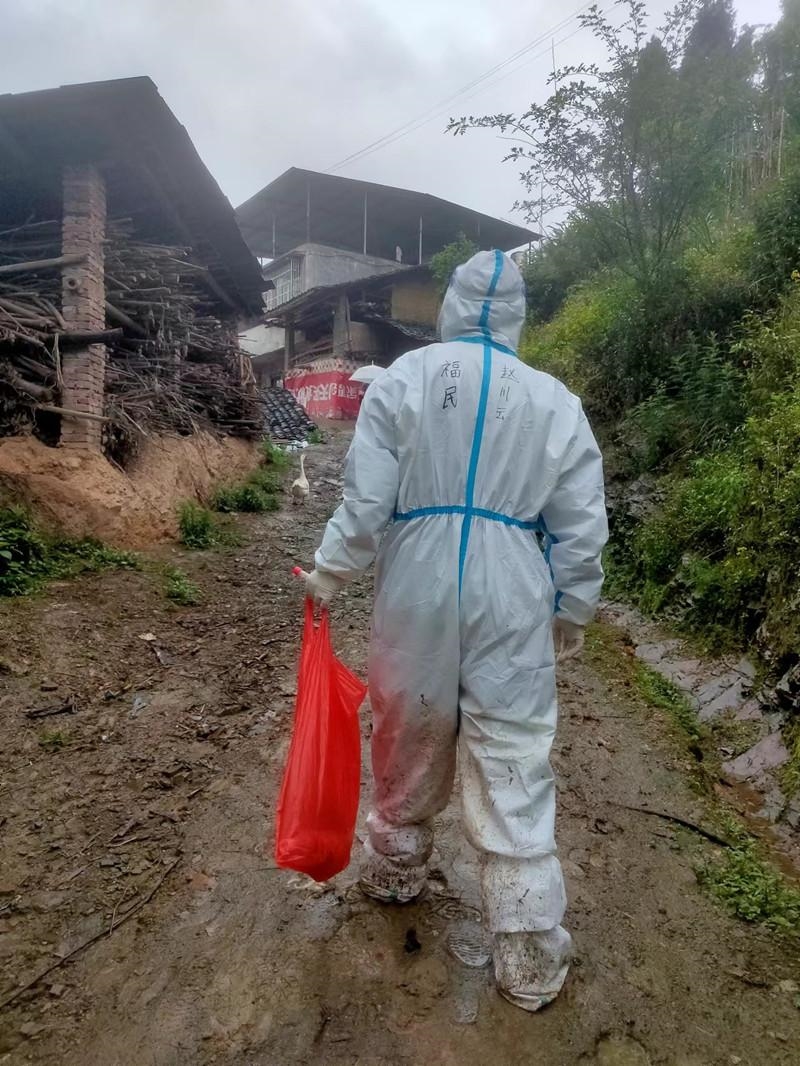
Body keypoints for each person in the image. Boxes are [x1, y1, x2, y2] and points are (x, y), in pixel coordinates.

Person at [302, 250, 607, 1011]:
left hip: (418, 576)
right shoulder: (554, 401)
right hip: (513, 582)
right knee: (513, 750)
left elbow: (366, 501)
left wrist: (331, 569)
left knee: (408, 723)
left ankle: (395, 869)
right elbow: (580, 525)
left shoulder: (405, 378)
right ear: (517, 318)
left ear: (451, 307)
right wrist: (572, 607)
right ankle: (528, 952)